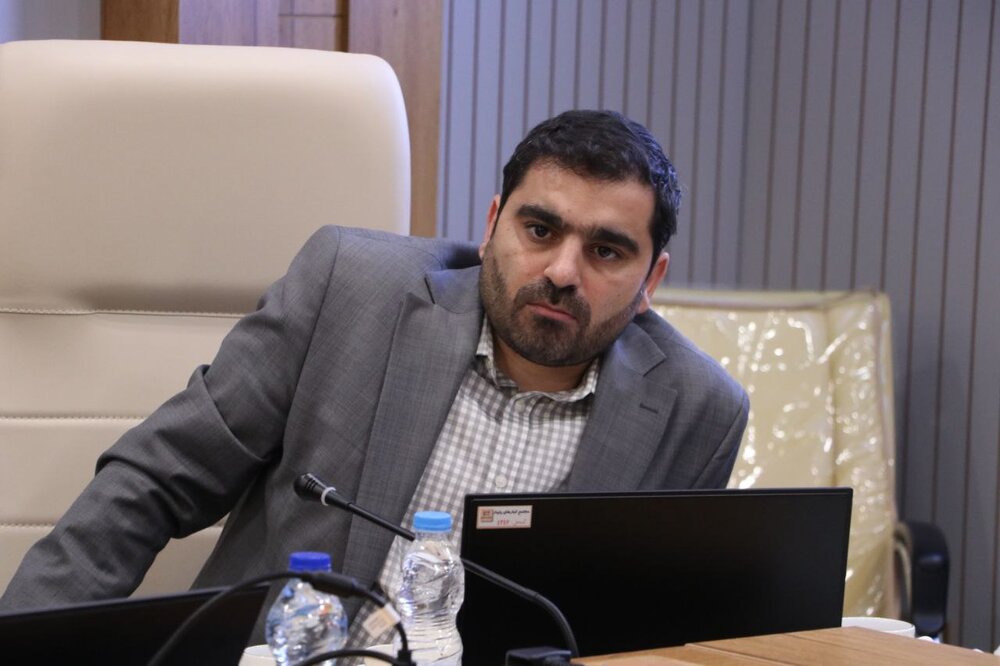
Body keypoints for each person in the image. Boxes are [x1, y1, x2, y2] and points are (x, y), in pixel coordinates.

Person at [0, 110, 749, 640]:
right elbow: (155, 480)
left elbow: (655, 628)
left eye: (606, 251)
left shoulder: (697, 410)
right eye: (540, 229)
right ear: (493, 223)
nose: (560, 270)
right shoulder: (350, 289)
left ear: (651, 280)